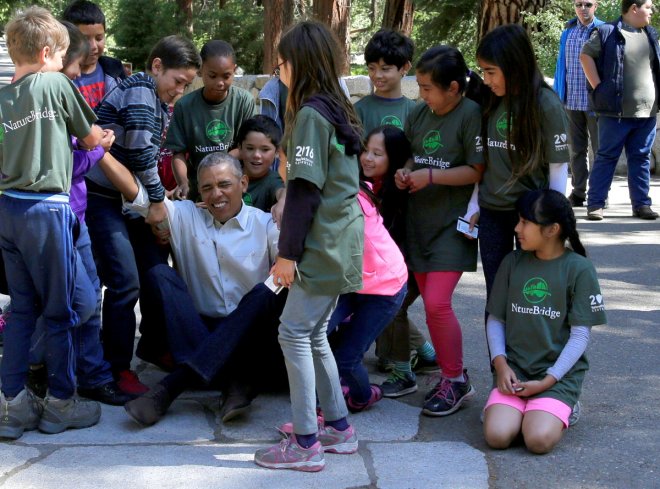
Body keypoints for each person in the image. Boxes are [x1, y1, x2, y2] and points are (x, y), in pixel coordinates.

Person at [93, 152, 288, 425]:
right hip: (199, 334)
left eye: (224, 184)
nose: (216, 194)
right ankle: (236, 383)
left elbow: (291, 269)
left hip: (251, 340)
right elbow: (137, 194)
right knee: (161, 274)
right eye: (207, 187)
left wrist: (285, 194)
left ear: (243, 183)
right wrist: (97, 151)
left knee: (268, 290)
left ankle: (171, 387)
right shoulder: (185, 215)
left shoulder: (266, 223)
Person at [253, 21, 364, 472]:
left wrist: (286, 254)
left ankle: (305, 443)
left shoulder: (312, 116)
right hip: (342, 240)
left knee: (293, 333)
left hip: (320, 242)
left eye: (281, 63)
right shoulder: (336, 108)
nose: (278, 70)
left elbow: (302, 192)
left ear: (299, 64)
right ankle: (337, 427)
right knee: (314, 333)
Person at [0, 7, 104, 440]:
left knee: (22, 308)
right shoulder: (57, 84)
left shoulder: (3, 98)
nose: (65, 65)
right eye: (62, 57)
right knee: (60, 312)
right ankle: (61, 402)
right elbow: (91, 136)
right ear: (46, 53)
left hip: (8, 211)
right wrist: (99, 139)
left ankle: (11, 405)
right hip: (48, 211)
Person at [84, 35, 200, 396]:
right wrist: (156, 201)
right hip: (103, 198)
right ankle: (115, 368)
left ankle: (152, 343)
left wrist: (156, 198)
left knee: (156, 270)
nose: (180, 90)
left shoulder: (157, 97)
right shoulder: (139, 92)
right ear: (156, 66)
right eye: (177, 81)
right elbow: (138, 153)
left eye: (186, 85)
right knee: (124, 282)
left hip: (129, 199)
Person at [26, 20, 132, 406]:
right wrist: (100, 147)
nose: (76, 75)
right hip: (55, 217)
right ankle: (32, 360)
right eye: (71, 66)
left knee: (89, 302)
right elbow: (66, 165)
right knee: (78, 302)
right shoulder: (50, 99)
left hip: (78, 215)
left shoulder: (60, 92)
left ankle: (92, 374)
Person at [394, 45, 484, 416]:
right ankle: (447, 374)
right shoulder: (419, 113)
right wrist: (407, 170)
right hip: (418, 224)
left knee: (437, 303)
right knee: (428, 306)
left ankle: (456, 378)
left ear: (453, 87)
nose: (422, 95)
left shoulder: (471, 115)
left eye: (429, 88)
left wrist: (430, 175)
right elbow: (414, 154)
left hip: (453, 225)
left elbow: (477, 170)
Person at [484, 189, 606, 454]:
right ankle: (527, 413)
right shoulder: (512, 262)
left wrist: (548, 381)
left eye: (525, 222)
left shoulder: (580, 269)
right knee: (497, 436)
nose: (517, 228)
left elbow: (580, 336)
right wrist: (501, 365)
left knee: (537, 441)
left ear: (552, 229)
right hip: (515, 373)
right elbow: (495, 320)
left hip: (557, 378)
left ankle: (565, 406)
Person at [475, 24, 569, 310]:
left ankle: (526, 356)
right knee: (498, 298)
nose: (486, 79)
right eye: (483, 71)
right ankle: (498, 358)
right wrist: (474, 205)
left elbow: (558, 167)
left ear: (514, 65)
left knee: (530, 299)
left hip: (530, 217)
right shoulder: (490, 99)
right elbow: (483, 161)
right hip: (492, 214)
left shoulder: (546, 103)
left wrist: (552, 222)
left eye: (491, 71)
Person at [363, 126, 439, 398]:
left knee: (390, 308)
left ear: (394, 158)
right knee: (389, 310)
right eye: (366, 150)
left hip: (408, 262)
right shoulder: (371, 184)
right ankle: (427, 355)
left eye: (377, 153)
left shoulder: (401, 193)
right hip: (385, 266)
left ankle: (404, 373)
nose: (367, 158)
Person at [325, 178, 408, 413]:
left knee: (347, 359)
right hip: (352, 283)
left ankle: (363, 396)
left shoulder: (347, 200)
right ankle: (324, 401)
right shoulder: (332, 189)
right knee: (313, 335)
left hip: (384, 289)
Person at [580, 0, 660, 220]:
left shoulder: (650, 33)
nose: (652, 10)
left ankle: (642, 205)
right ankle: (596, 204)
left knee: (641, 158)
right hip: (614, 112)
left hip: (647, 112)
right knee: (606, 157)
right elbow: (585, 55)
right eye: (648, 6)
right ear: (634, 8)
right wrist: (599, 87)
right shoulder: (607, 31)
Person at [166, 40, 256, 202]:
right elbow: (177, 153)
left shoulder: (244, 101)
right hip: (199, 189)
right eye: (212, 76)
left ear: (234, 71)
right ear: (200, 71)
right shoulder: (184, 106)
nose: (220, 82)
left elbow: (249, 146)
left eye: (226, 76)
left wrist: (218, 165)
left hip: (234, 188)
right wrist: (183, 183)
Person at [553, 1, 604, 207]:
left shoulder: (603, 30)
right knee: (576, 150)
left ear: (596, 6)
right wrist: (558, 96)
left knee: (601, 150)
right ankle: (579, 192)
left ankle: (600, 193)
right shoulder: (568, 32)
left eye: (588, 4)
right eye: (578, 4)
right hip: (571, 102)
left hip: (596, 103)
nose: (583, 8)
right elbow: (560, 66)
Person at [61, 0, 127, 108]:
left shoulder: (116, 70)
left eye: (99, 38)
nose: (93, 46)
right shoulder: (61, 75)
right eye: (85, 39)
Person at [354, 29, 416, 135]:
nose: (377, 75)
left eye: (385, 69)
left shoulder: (415, 111)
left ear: (405, 67)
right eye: (372, 68)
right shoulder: (359, 110)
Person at [234, 115, 285, 212]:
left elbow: (281, 192)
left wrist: (283, 201)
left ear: (277, 151)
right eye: (250, 148)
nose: (257, 155)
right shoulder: (230, 175)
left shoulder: (273, 180)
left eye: (265, 150)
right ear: (239, 148)